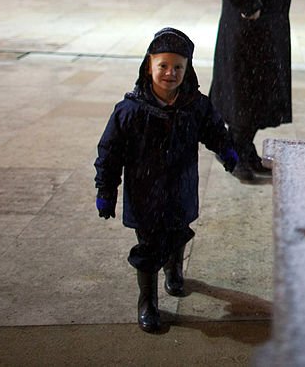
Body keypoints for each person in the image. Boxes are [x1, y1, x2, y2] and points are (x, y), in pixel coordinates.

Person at [94, 27, 239, 333]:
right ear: (149, 66)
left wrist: (227, 151)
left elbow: (213, 130)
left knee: (177, 232)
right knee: (148, 249)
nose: (170, 73)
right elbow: (110, 152)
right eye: (163, 66)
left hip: (180, 189)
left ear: (187, 70)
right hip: (145, 194)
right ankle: (147, 302)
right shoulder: (129, 111)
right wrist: (106, 189)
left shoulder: (195, 106)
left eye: (178, 67)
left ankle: (174, 269)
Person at [210, 0, 296, 181]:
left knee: (256, 103)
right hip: (244, 41)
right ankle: (236, 162)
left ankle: (247, 156)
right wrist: (251, 5)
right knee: (241, 105)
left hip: (264, 41)